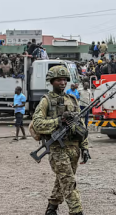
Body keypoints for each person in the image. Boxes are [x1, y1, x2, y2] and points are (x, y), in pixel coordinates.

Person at [33, 65, 89, 215]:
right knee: (69, 183)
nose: (62, 83)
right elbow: (37, 124)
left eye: (64, 80)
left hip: (74, 148)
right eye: (58, 80)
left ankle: (51, 208)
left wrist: (85, 147)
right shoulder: (46, 101)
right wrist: (58, 121)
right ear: (51, 81)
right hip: (57, 148)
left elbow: (80, 125)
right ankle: (77, 211)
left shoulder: (72, 100)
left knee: (62, 180)